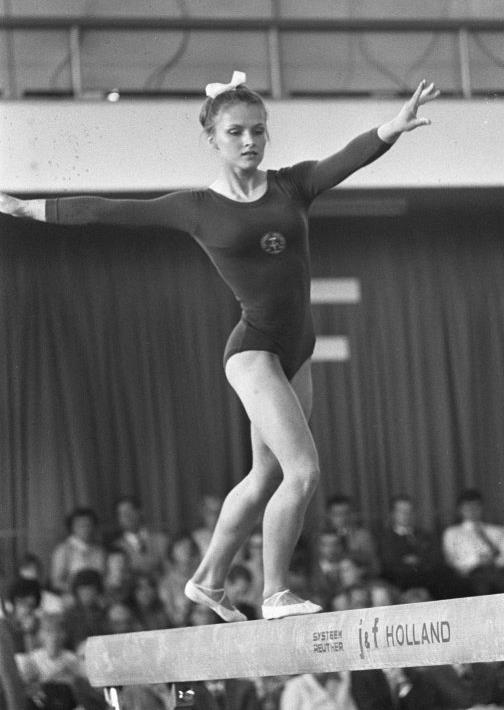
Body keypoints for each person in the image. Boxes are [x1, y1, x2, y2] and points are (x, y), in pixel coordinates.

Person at [0, 70, 439, 621]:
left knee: (266, 476)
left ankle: (208, 580)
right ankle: (275, 592)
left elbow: (346, 159)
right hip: (254, 350)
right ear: (213, 138)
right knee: (303, 472)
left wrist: (393, 126)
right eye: (235, 132)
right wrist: (26, 209)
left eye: (258, 130)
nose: (249, 141)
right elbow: (110, 209)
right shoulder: (196, 207)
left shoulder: (293, 185)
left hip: (297, 349)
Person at [442, 488, 504, 595]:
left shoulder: (497, 530)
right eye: (467, 507)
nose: (472, 510)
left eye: (476, 506)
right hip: (470, 574)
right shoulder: (452, 532)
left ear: (482, 508)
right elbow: (451, 560)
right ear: (460, 510)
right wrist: (477, 560)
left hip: (497, 570)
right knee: (481, 580)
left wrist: (493, 561)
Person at [50, 506, 106, 596]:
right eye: (81, 525)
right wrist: (79, 591)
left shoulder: (100, 550)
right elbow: (56, 582)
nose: (86, 529)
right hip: (72, 596)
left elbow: (104, 577)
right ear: (72, 527)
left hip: (98, 595)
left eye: (89, 525)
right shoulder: (63, 550)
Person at [111, 496, 169, 577]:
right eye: (122, 514)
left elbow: (170, 569)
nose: (127, 516)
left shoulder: (161, 539)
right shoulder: (116, 547)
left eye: (130, 511)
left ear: (140, 512)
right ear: (118, 519)